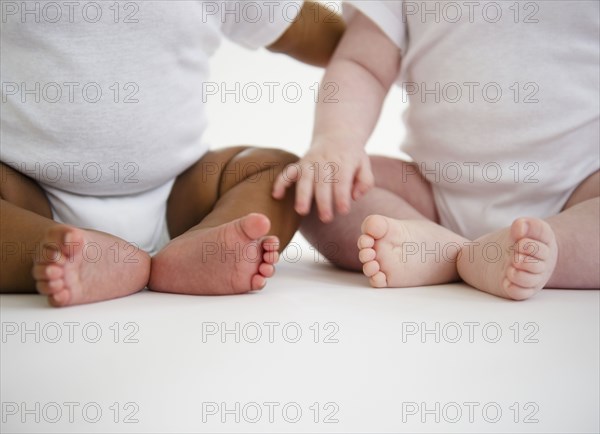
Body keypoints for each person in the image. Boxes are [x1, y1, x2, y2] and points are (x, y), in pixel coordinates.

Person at [0, 0, 344, 306]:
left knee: (277, 170)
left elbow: (305, 28)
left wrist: (383, 42)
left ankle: (203, 249)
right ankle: (55, 251)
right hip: (28, 194)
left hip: (179, 196)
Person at [273, 0, 599, 300]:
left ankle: (548, 251)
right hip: (431, 197)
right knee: (321, 191)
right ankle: (443, 251)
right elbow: (362, 64)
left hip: (578, 189)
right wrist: (336, 139)